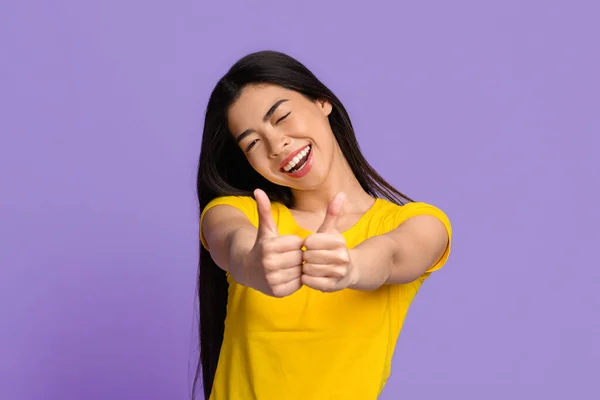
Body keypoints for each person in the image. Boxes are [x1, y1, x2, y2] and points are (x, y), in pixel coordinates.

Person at [193, 50, 452, 400]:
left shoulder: (418, 223)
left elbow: (391, 255)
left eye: (282, 116)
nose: (276, 144)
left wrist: (352, 266)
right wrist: (248, 262)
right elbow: (230, 239)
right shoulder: (242, 214)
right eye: (253, 142)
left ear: (322, 102)